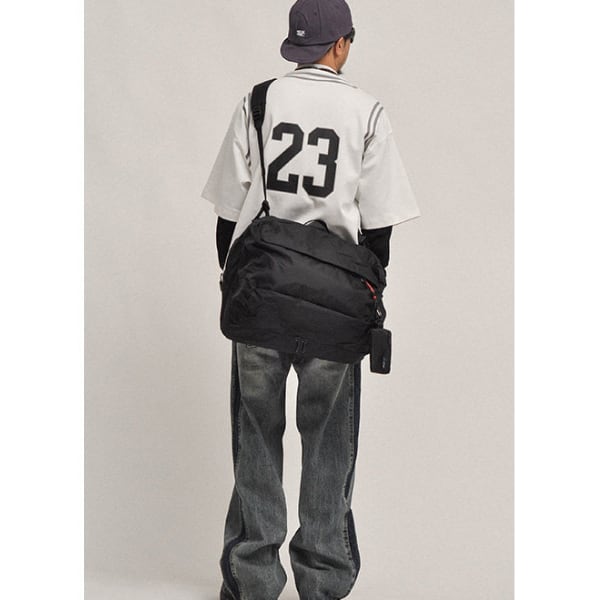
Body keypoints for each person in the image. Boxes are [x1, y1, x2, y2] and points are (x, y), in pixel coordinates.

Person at [201, 1, 420, 598]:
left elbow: (228, 213)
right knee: (329, 444)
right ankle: (322, 582)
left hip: (262, 294)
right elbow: (379, 227)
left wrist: (232, 281)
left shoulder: (258, 101)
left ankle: (252, 581)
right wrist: (366, 293)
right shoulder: (367, 111)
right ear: (342, 44)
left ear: (295, 45)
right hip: (335, 302)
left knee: (255, 435)